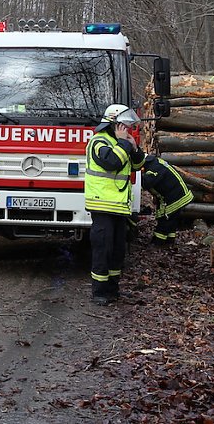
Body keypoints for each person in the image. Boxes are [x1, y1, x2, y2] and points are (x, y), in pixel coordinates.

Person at [85, 104, 145, 306]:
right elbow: (111, 162)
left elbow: (136, 165)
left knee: (118, 250)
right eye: (124, 125)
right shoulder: (99, 141)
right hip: (102, 205)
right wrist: (123, 144)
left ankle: (113, 289)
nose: (127, 128)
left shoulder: (121, 142)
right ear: (114, 124)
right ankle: (99, 292)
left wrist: (134, 148)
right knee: (103, 249)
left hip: (119, 207)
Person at [141, 154, 194, 245]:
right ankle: (169, 242)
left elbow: (146, 183)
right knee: (170, 220)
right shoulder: (154, 162)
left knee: (165, 220)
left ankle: (158, 243)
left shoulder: (154, 167)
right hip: (175, 194)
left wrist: (137, 177)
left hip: (177, 196)